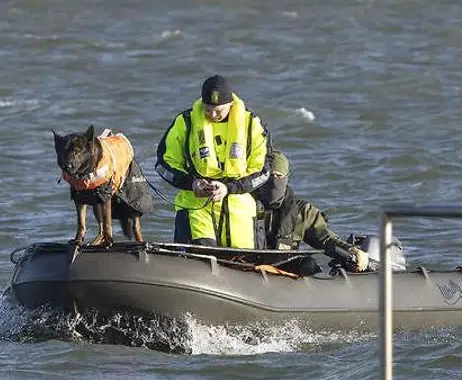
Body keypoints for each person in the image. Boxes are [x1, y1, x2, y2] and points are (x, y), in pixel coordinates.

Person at [154, 75, 270, 249]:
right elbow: (164, 164)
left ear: (230, 105)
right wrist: (192, 183)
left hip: (238, 210)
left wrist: (229, 188)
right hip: (196, 209)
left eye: (219, 110)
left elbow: (263, 171)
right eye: (208, 110)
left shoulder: (252, 124)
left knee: (244, 262)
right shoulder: (185, 122)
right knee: (198, 257)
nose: (213, 115)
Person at [252, 149, 370, 273]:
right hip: (246, 266)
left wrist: (351, 250)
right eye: (269, 175)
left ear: (286, 178)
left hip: (283, 269)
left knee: (309, 264)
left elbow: (325, 239)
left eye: (279, 176)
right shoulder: (243, 206)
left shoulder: (301, 212)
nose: (274, 180)